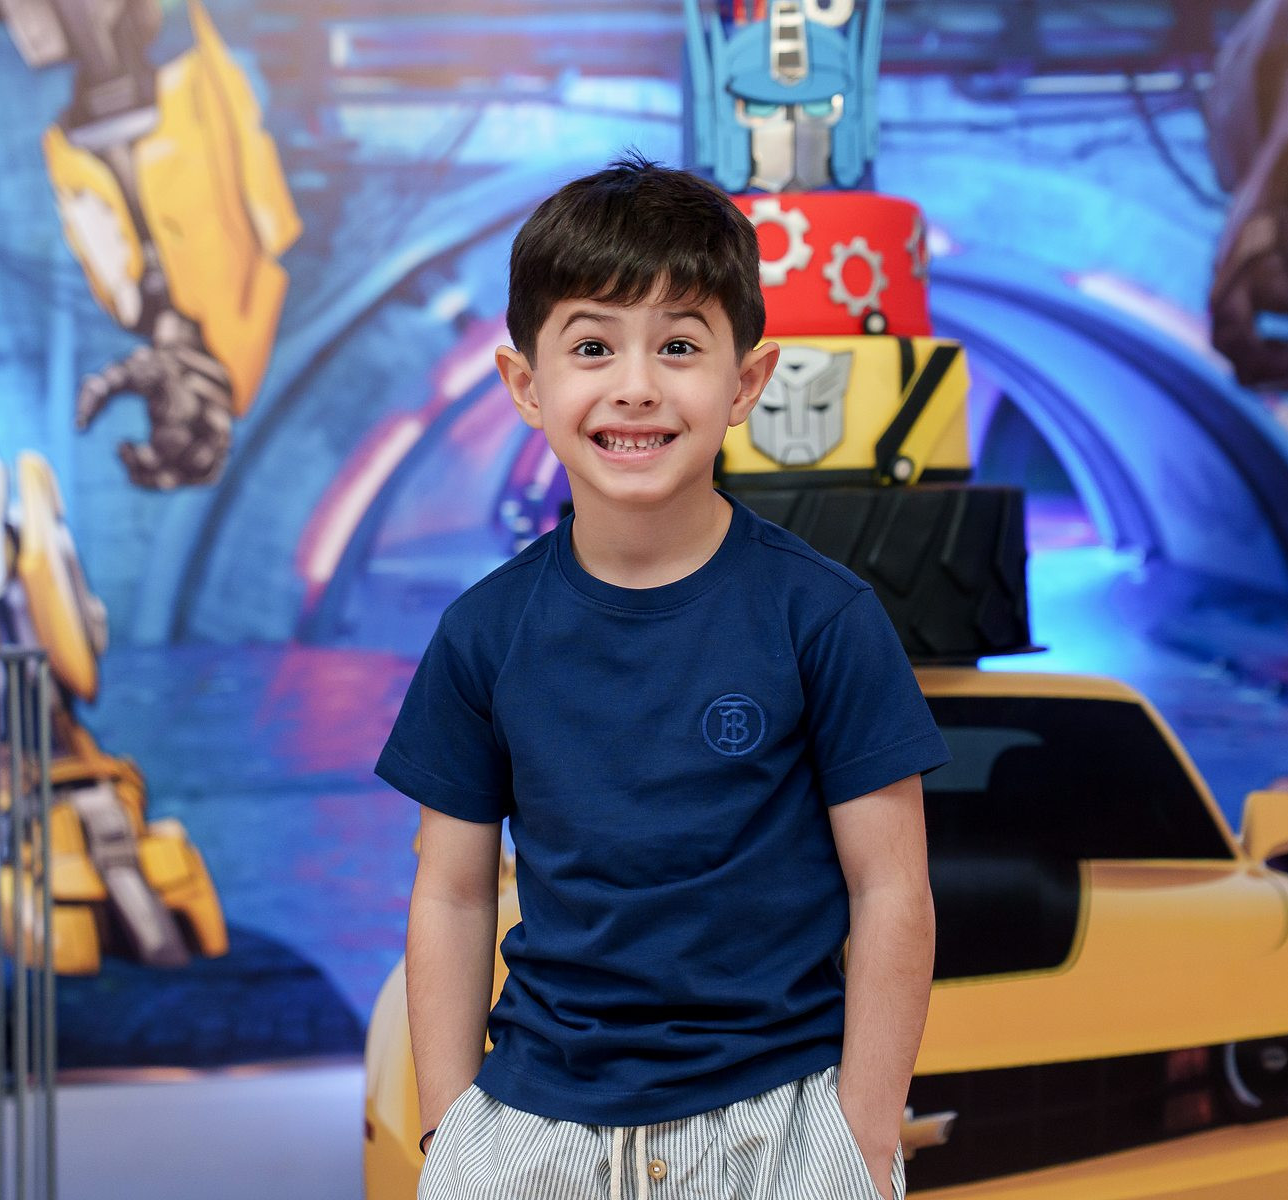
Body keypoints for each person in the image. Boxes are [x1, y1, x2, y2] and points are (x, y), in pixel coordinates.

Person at [376, 154, 949, 1200]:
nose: (635, 385)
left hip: (777, 1127)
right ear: (526, 386)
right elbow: (452, 895)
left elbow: (893, 889)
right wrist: (449, 1130)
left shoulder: (824, 618)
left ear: (746, 384)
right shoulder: (482, 634)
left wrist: (863, 1137)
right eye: (592, 345)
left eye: (679, 345)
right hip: (535, 1129)